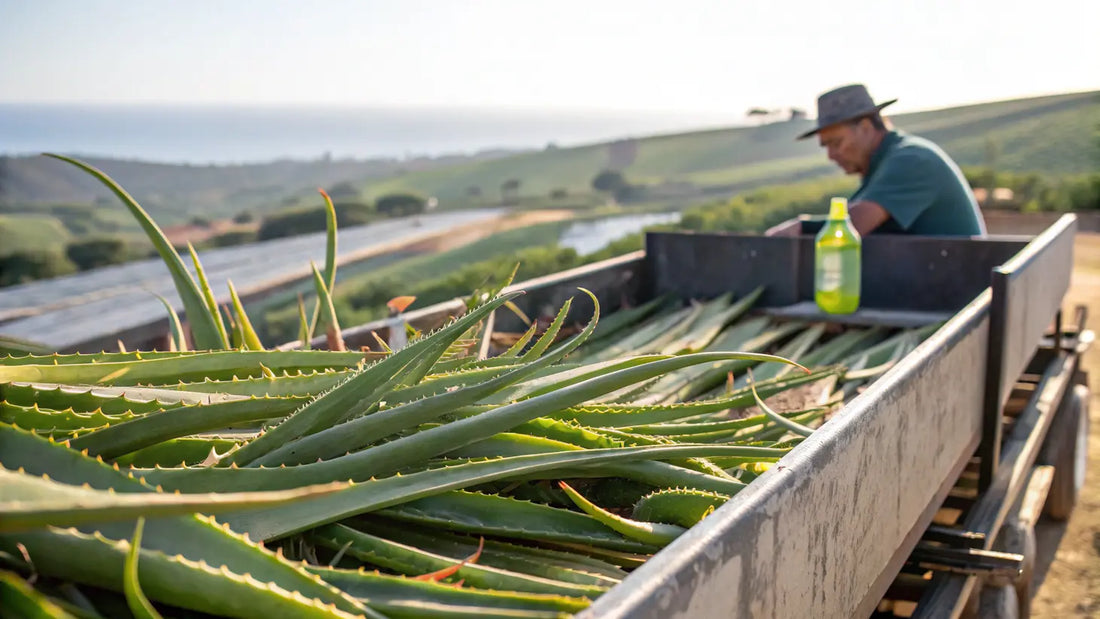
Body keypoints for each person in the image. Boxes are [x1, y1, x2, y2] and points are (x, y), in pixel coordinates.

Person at [765, 84, 987, 237]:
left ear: (866, 127)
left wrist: (802, 227)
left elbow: (855, 225)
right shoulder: (882, 167)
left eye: (836, 143)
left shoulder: (911, 159)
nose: (831, 156)